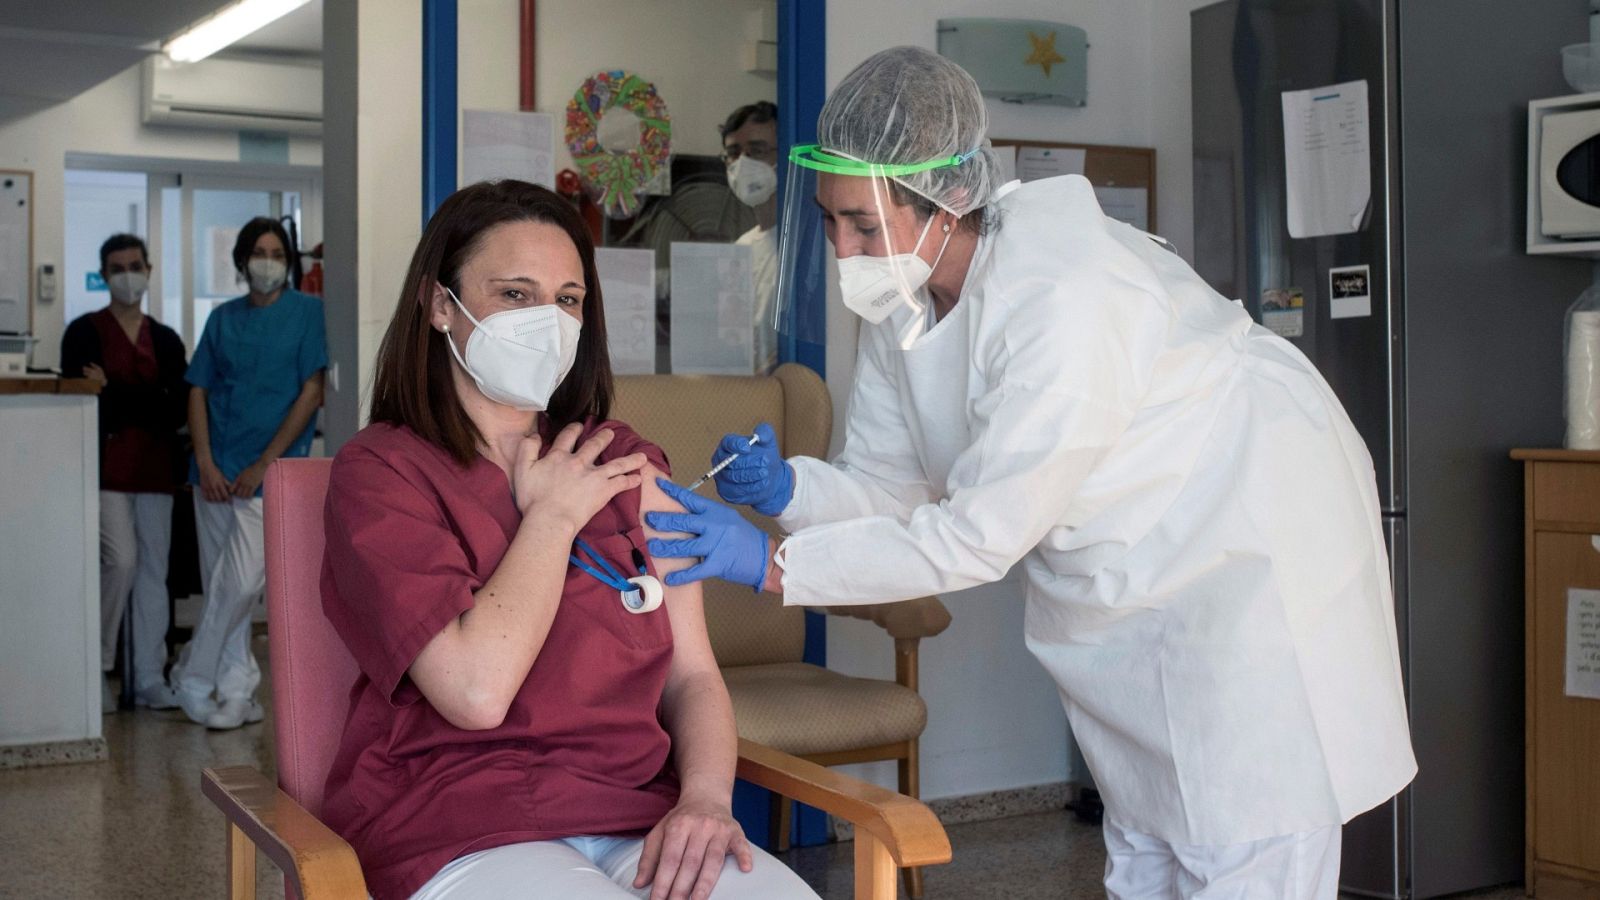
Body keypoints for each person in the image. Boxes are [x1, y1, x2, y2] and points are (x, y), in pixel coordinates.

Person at [649, 47, 1416, 898]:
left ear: (945, 201)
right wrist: (794, 490)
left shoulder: (1065, 294)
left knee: (1246, 822)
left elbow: (977, 536)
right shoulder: (902, 301)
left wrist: (771, 566)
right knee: (1154, 828)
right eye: (832, 222)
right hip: (1131, 562)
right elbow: (894, 484)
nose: (844, 250)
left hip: (1248, 543)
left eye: (864, 225)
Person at [319, 179, 819, 900]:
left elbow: (694, 677)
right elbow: (476, 691)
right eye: (515, 295)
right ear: (439, 306)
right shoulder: (382, 473)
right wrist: (550, 520)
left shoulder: (623, 459)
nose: (547, 320)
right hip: (459, 821)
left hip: (637, 814)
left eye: (568, 299)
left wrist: (706, 800)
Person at [168, 216, 326, 730]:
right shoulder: (223, 319)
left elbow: (312, 392)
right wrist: (207, 461)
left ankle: (191, 678)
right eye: (258, 252)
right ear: (241, 260)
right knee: (223, 585)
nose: (267, 262)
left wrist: (265, 465)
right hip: (214, 473)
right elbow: (198, 390)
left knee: (238, 584)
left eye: (278, 253)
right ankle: (238, 693)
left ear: (290, 262)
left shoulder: (309, 314)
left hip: (270, 473)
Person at [60, 233, 188, 713]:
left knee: (155, 573)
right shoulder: (82, 332)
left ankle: (149, 678)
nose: (127, 274)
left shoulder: (166, 339)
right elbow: (85, 403)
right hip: (105, 472)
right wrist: (143, 397)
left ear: (149, 270)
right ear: (103, 274)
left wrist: (113, 390)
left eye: (135, 265)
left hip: (155, 471)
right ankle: (98, 668)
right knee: (122, 562)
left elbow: (173, 407)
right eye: (117, 267)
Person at [721, 100, 780, 372]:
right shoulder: (741, 248)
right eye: (733, 152)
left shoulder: (800, 247)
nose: (742, 163)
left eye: (757, 150)